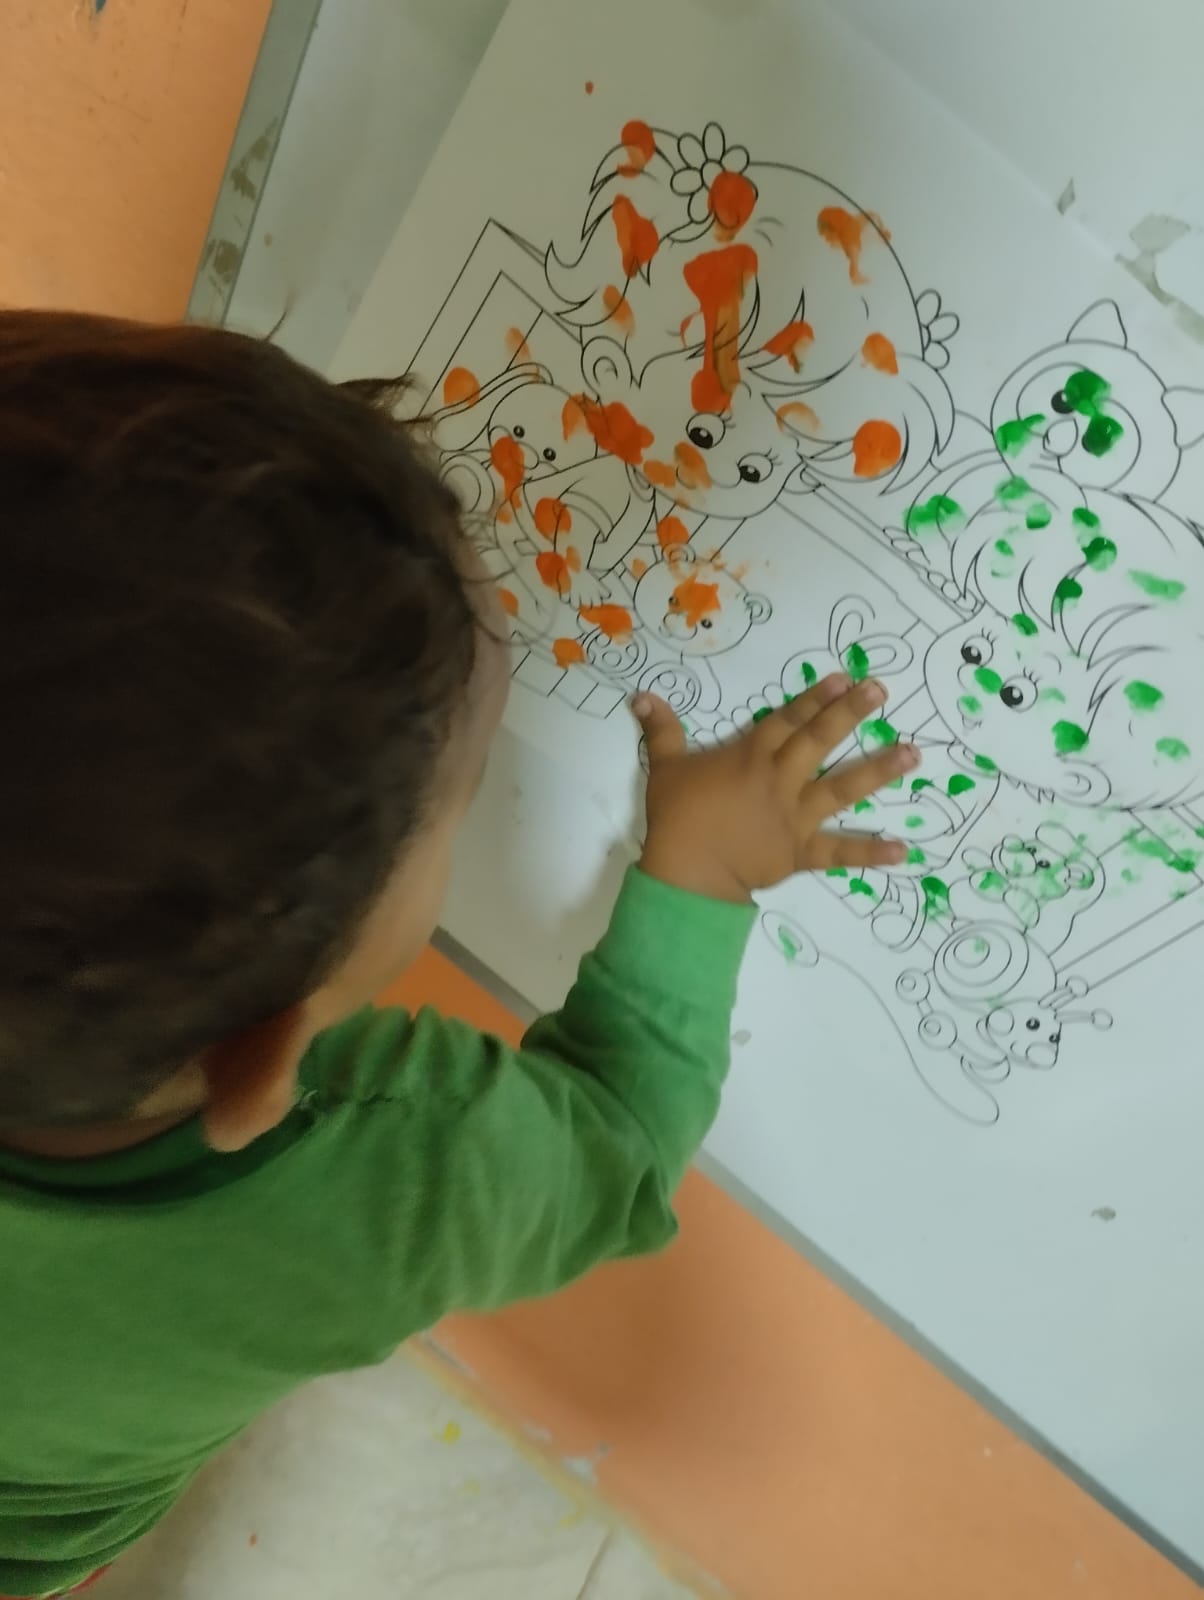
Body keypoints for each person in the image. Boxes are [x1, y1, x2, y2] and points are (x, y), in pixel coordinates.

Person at [0, 312, 916, 1599]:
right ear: (265, 1056)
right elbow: (615, 1136)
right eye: (463, 796)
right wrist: (699, 876)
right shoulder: (389, 1173)